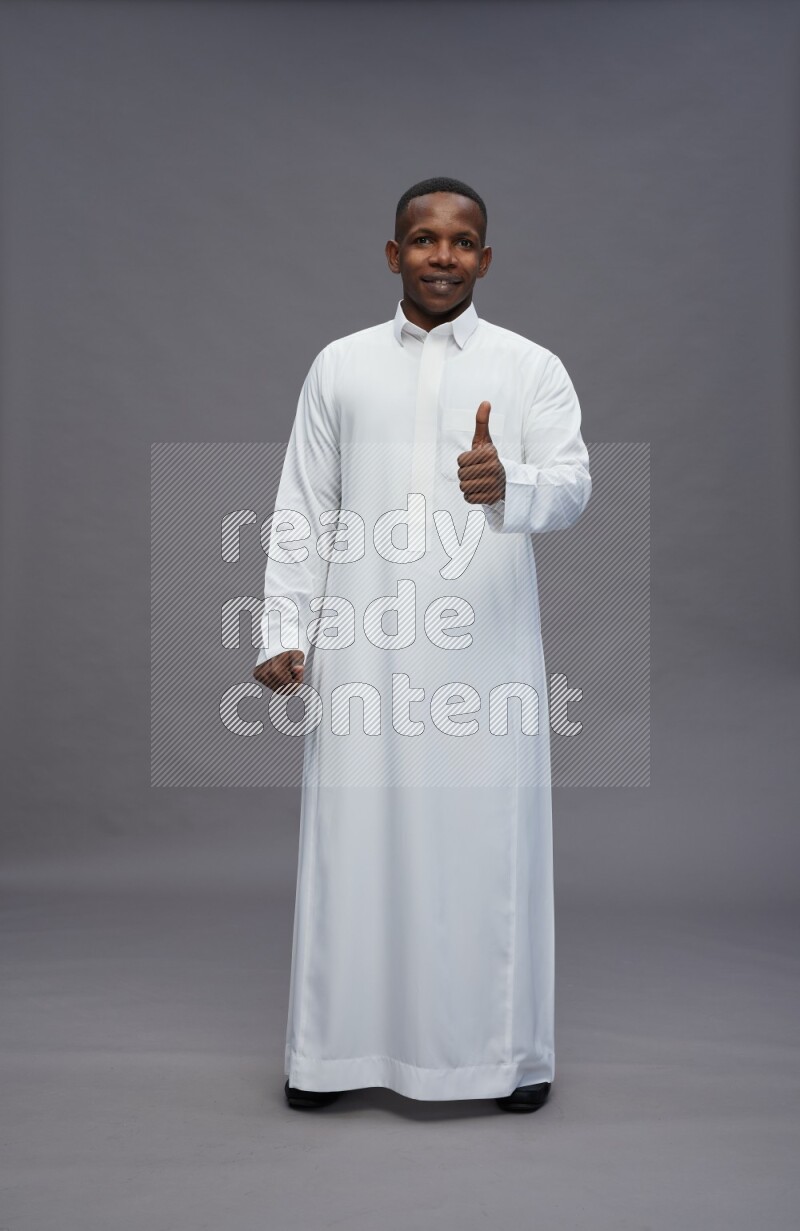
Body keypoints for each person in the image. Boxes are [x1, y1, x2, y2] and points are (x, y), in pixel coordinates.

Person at [253, 177, 591, 1114]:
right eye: (423, 238)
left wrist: (507, 481)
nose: (442, 255)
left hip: (484, 657)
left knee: (487, 847)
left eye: (462, 241)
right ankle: (330, 1053)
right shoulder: (340, 365)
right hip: (362, 648)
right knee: (352, 848)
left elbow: (572, 486)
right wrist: (284, 629)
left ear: (486, 258)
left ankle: (506, 1056)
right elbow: (303, 507)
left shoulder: (530, 368)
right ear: (392, 253)